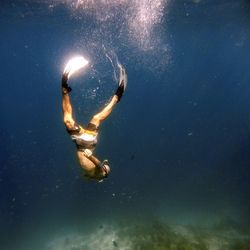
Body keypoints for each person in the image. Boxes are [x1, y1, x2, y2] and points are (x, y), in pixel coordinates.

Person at [61, 64, 127, 182]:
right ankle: (117, 96)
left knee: (84, 119)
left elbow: (88, 174)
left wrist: (88, 175)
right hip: (86, 144)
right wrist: (90, 156)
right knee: (95, 118)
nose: (103, 170)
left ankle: (65, 90)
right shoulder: (100, 172)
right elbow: (98, 164)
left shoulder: (95, 177)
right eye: (104, 169)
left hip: (80, 144)